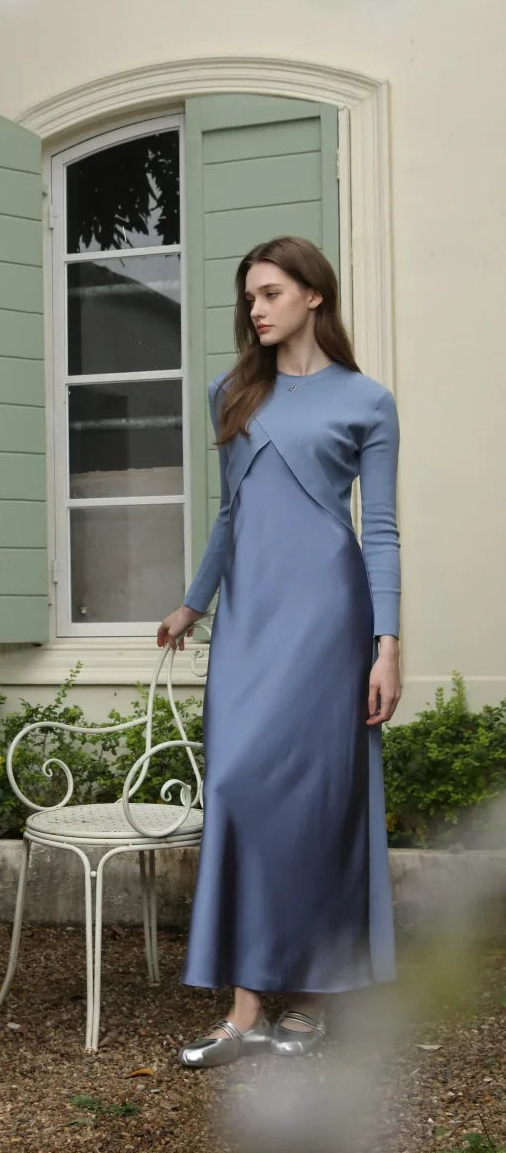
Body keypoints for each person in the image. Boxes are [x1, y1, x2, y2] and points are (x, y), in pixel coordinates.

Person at [157, 236, 401, 1067]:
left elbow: (380, 531)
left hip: (330, 619)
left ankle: (308, 1000)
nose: (255, 308)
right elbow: (231, 513)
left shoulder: (367, 401)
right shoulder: (231, 393)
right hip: (250, 620)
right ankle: (247, 1009)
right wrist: (195, 601)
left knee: (322, 801)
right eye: (250, 296)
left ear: (313, 295)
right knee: (237, 787)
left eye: (270, 293)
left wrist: (387, 645)